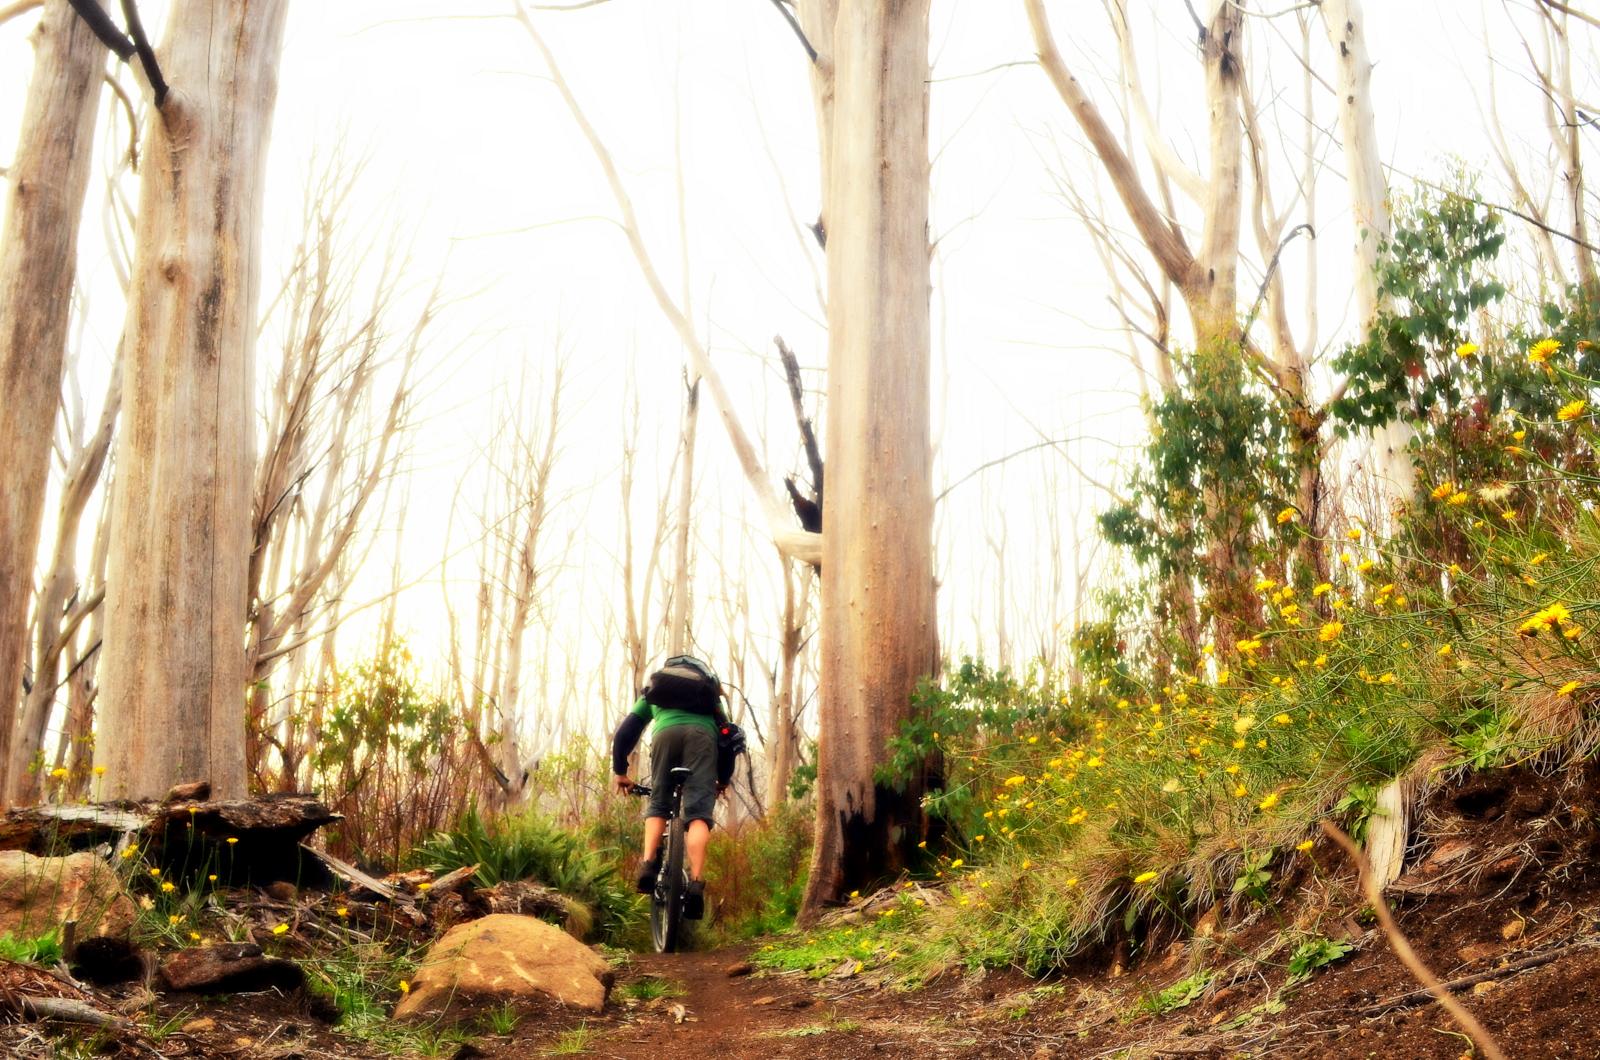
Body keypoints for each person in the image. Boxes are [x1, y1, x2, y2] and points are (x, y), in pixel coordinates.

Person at [611, 655, 728, 919]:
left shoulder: (656, 689)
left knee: (659, 804)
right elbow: (727, 735)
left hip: (665, 735)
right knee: (698, 814)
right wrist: (723, 778)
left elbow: (625, 732)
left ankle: (648, 865)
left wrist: (620, 771)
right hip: (702, 739)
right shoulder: (709, 690)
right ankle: (696, 885)